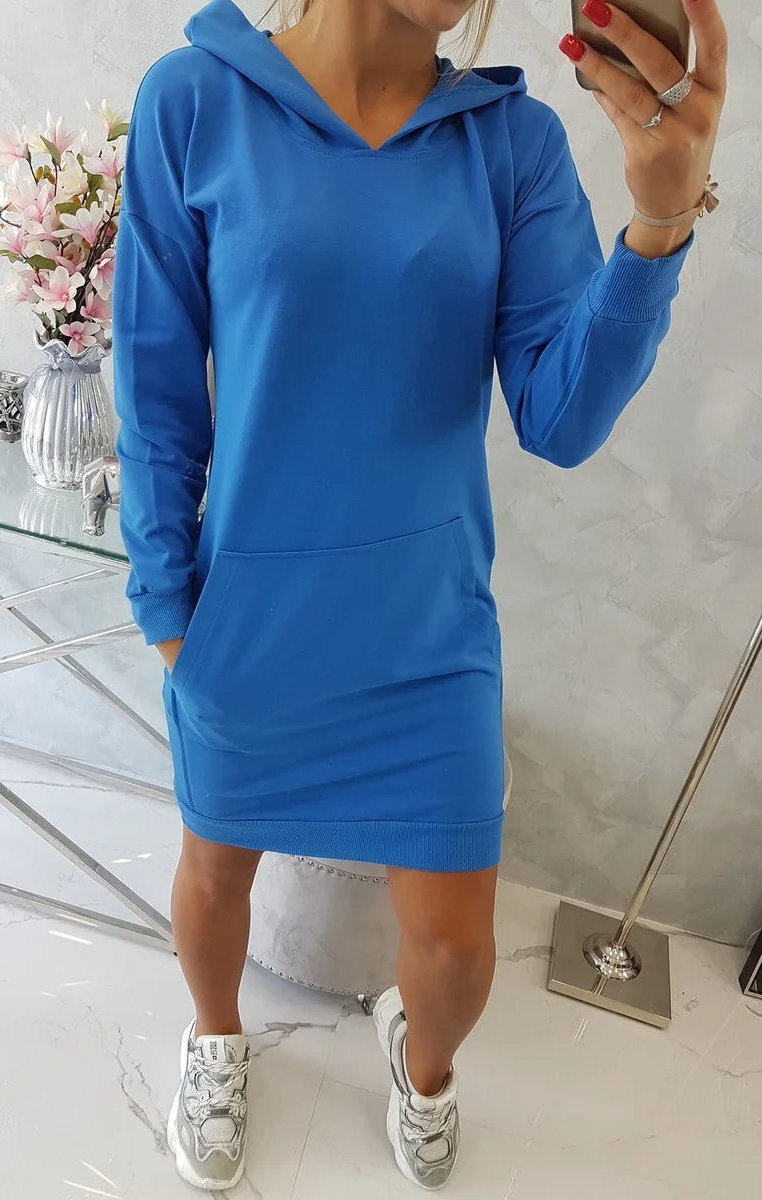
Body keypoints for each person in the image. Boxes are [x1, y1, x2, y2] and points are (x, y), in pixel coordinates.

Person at [111, 0, 726, 1189]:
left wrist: (656, 224)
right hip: (248, 624)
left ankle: (422, 1069)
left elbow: (558, 419)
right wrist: (168, 607)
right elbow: (153, 371)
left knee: (450, 950)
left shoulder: (510, 144)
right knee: (214, 879)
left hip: (427, 636)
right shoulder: (194, 101)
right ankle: (216, 1040)